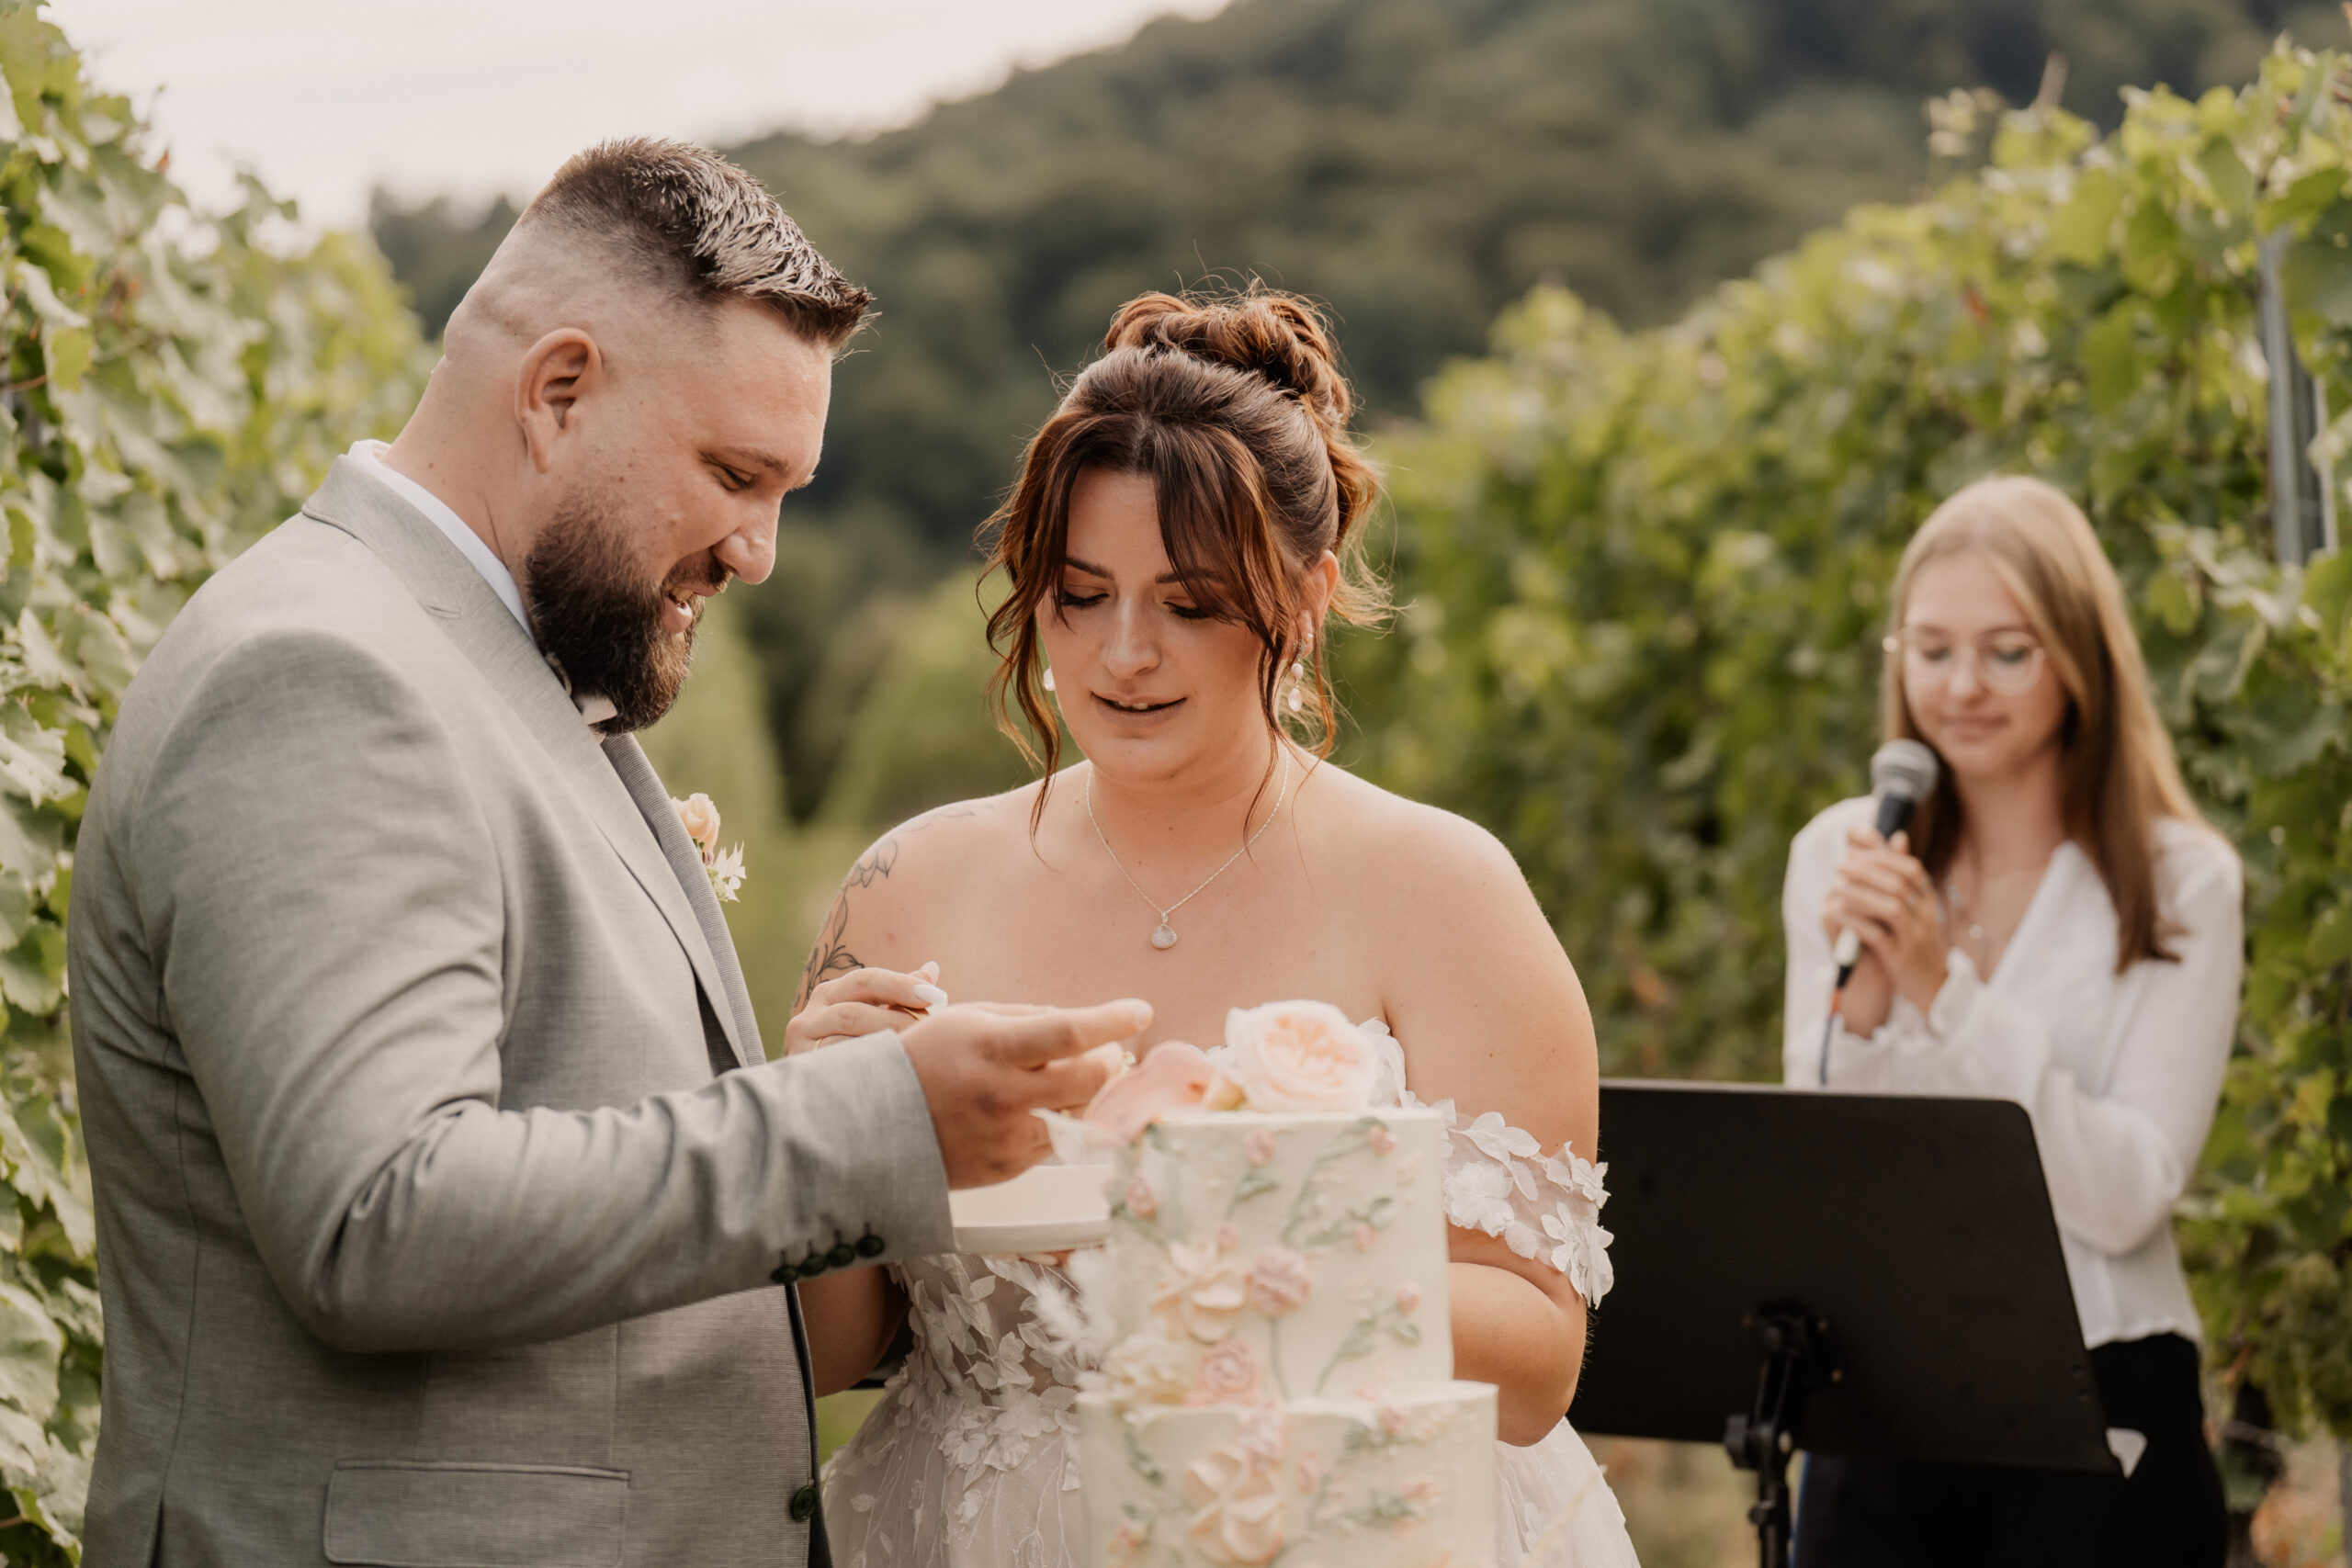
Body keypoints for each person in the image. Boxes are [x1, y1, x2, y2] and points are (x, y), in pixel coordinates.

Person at [65, 138, 1145, 1568]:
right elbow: (378, 1218)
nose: (758, 550)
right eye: (735, 473)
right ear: (559, 390)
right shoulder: (324, 674)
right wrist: (870, 1122)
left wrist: (819, 1106)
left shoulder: (504, 664)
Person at [788, 287, 1636, 1567]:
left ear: (1305, 595)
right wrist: (818, 1134)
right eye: (1080, 594)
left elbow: (1534, 1363)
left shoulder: (1444, 890)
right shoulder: (902, 886)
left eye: (1187, 605)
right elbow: (828, 1349)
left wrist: (1238, 1249)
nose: (1123, 653)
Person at [1781, 476, 2241, 1567]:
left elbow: (2124, 1197)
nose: (1961, 688)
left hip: (2102, 1388)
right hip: (1884, 1388)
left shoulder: (2182, 882)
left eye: (2006, 652)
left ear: (2079, 659)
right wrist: (1871, 1011)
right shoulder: (1839, 855)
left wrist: (1947, 997)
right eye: (1931, 650)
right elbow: (1831, 1180)